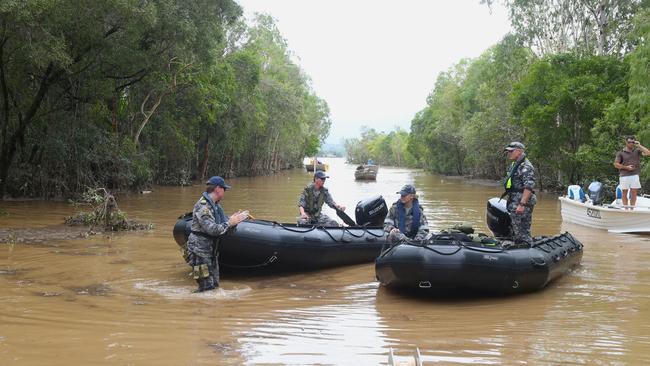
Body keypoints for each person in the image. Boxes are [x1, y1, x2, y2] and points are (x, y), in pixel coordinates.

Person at [186, 176, 248, 292]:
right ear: (218, 189)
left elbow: (223, 229)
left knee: (214, 286)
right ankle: (197, 308)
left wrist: (234, 222)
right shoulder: (203, 206)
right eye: (224, 189)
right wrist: (229, 223)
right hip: (198, 253)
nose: (225, 192)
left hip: (211, 252)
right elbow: (213, 229)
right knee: (205, 288)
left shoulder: (216, 206)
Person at [503, 141, 536, 246]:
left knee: (522, 231)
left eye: (511, 151)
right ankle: (518, 245)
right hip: (514, 201)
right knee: (516, 230)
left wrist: (522, 204)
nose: (509, 154)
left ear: (518, 151)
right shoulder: (515, 165)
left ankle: (526, 248)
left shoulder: (526, 166)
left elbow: (529, 187)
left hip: (521, 202)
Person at [614, 136, 650, 207]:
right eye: (629, 142)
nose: (631, 143)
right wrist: (626, 167)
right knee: (624, 192)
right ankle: (626, 209)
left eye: (632, 142)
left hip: (635, 175)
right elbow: (616, 164)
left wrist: (639, 145)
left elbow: (648, 153)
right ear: (626, 142)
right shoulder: (620, 152)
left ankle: (632, 208)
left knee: (634, 192)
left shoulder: (637, 151)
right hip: (624, 175)